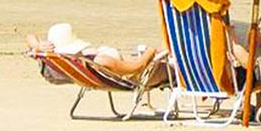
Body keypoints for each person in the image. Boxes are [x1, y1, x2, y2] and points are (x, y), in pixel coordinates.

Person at [25, 22, 165, 84]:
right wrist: (150, 52)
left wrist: (37, 46)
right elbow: (137, 68)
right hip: (136, 77)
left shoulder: (52, 61)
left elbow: (29, 36)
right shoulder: (99, 62)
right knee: (171, 67)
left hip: (105, 73)